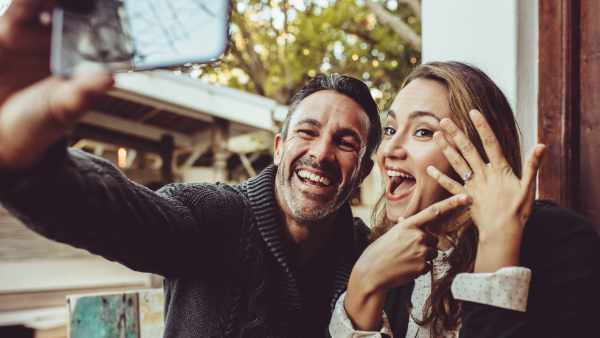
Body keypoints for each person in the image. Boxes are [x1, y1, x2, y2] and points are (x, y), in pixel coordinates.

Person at [0, 2, 474, 337]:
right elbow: (114, 213)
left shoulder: (367, 255)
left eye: (346, 141)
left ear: (364, 168)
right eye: (307, 132)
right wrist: (25, 156)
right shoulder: (208, 216)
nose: (322, 153)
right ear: (278, 147)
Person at [329, 61, 600, 337]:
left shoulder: (562, 241)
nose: (389, 150)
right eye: (390, 130)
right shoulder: (388, 253)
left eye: (422, 131)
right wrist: (365, 282)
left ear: (477, 150)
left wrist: (497, 242)